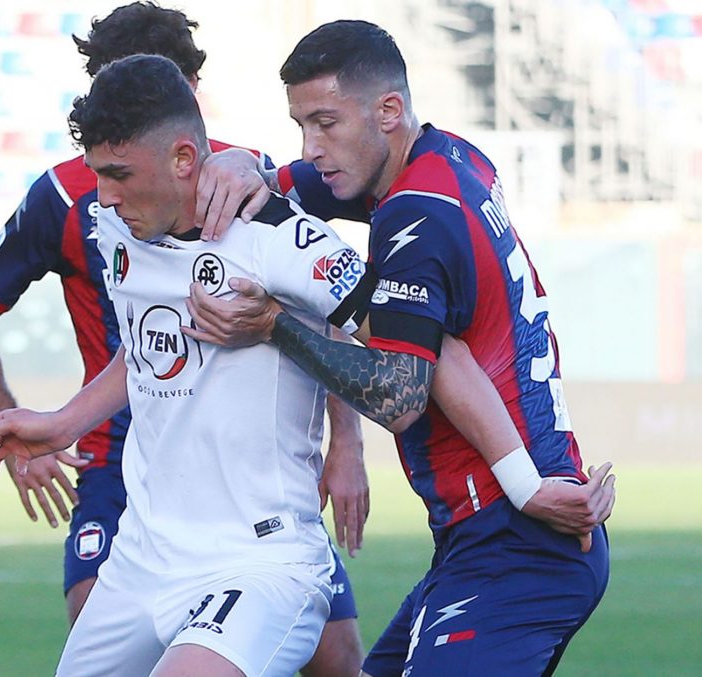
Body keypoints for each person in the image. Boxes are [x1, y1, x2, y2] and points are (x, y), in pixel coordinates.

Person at [184, 20, 615, 676]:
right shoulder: (454, 159)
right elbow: (287, 187)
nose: (312, 146)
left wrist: (273, 325)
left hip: (516, 543)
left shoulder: (415, 214)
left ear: (388, 111)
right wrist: (251, 165)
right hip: (498, 532)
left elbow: (400, 395)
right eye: (301, 125)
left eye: (326, 123)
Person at [0, 4, 368, 674]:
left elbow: (381, 334)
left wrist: (346, 438)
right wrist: (60, 424)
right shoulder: (104, 214)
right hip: (138, 525)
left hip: (257, 546)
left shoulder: (262, 202)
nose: (104, 195)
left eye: (117, 174)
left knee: (337, 657)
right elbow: (143, 346)